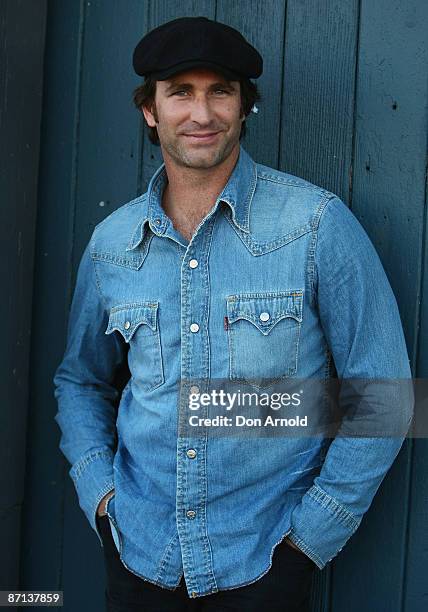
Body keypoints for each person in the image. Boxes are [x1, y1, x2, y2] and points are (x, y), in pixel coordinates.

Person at [53, 16, 414, 612]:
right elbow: (80, 379)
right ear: (150, 110)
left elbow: (386, 397)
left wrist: (306, 544)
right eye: (180, 92)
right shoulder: (112, 244)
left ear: (245, 105)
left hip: (263, 567)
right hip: (138, 560)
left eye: (220, 91)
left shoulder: (316, 227)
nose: (202, 114)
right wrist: (102, 496)